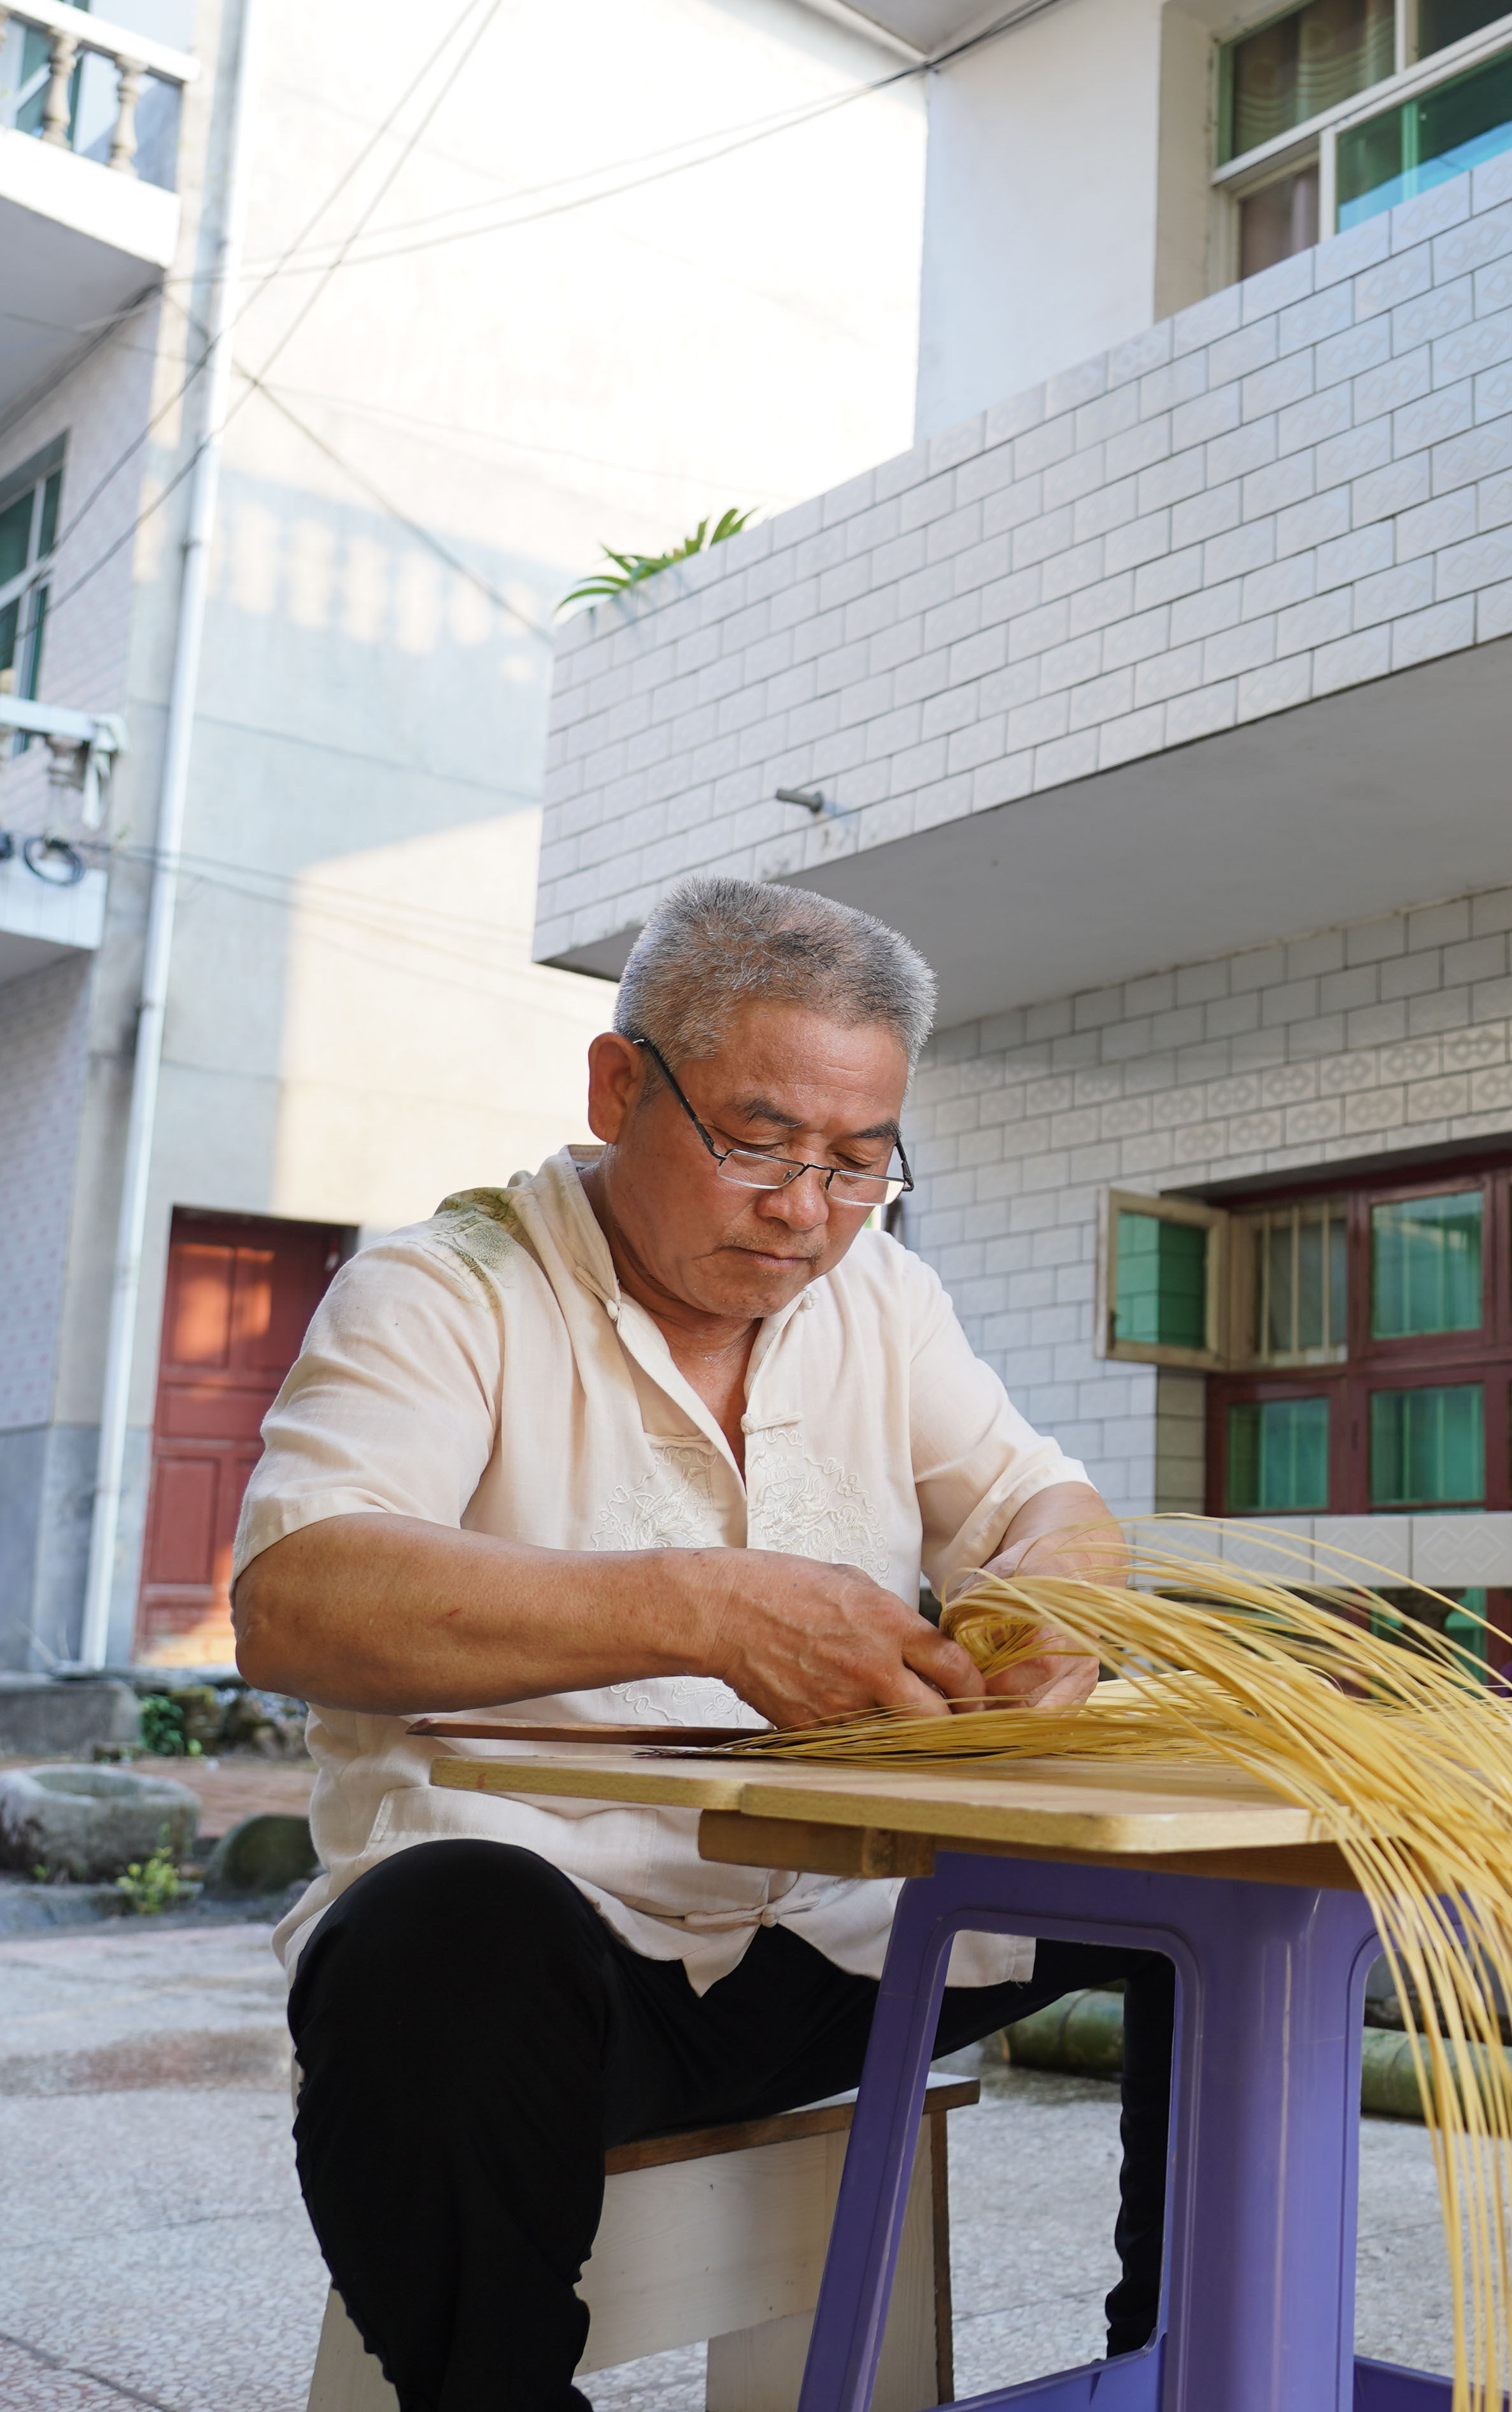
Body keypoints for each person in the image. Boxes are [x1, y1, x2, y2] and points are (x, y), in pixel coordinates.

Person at [230, 876, 1173, 2411]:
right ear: (619, 1086)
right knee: (434, 1937)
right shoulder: (446, 1287)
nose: (806, 1207)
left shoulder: (881, 1295)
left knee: (1218, 1890)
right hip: (569, 1971)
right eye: (758, 1140)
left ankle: (1185, 2358)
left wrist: (1049, 1606)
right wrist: (708, 1605)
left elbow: (1046, 1504)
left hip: (854, 1933)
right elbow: (296, 1598)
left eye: (857, 1160)